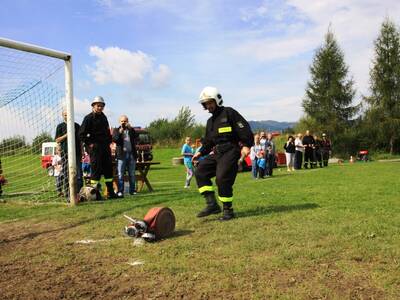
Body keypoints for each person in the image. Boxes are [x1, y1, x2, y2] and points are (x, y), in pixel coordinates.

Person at [192, 86, 254, 221]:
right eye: (206, 104)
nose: (208, 106)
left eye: (210, 102)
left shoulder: (229, 113)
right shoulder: (210, 122)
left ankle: (228, 210)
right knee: (200, 171)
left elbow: (244, 128)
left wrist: (247, 145)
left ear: (217, 100)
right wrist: (200, 152)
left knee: (222, 178)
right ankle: (212, 205)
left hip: (231, 150)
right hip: (217, 152)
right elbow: (208, 142)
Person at [79, 96, 118, 199]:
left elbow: (106, 132)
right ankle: (96, 195)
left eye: (102, 106)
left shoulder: (104, 117)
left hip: (105, 147)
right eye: (98, 105)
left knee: (108, 170)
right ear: (93, 106)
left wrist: (111, 141)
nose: (100, 107)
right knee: (96, 171)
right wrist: (90, 144)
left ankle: (111, 193)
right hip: (95, 148)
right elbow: (81, 134)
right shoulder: (88, 118)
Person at [55, 110, 83, 201]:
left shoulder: (77, 125)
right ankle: (68, 195)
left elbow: (80, 140)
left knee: (79, 174)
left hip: (77, 153)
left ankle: (79, 194)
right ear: (63, 116)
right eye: (65, 115)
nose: (67, 116)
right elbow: (57, 140)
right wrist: (67, 134)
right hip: (65, 154)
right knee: (67, 174)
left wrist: (82, 151)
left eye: (69, 114)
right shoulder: (60, 126)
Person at [112, 115, 138, 197]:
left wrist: (131, 129)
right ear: (119, 122)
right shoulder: (116, 130)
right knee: (120, 174)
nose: (123, 123)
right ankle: (120, 191)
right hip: (121, 155)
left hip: (131, 154)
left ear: (128, 121)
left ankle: (132, 190)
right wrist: (120, 132)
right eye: (122, 121)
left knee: (132, 174)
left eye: (125, 121)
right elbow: (115, 139)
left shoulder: (131, 130)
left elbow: (137, 138)